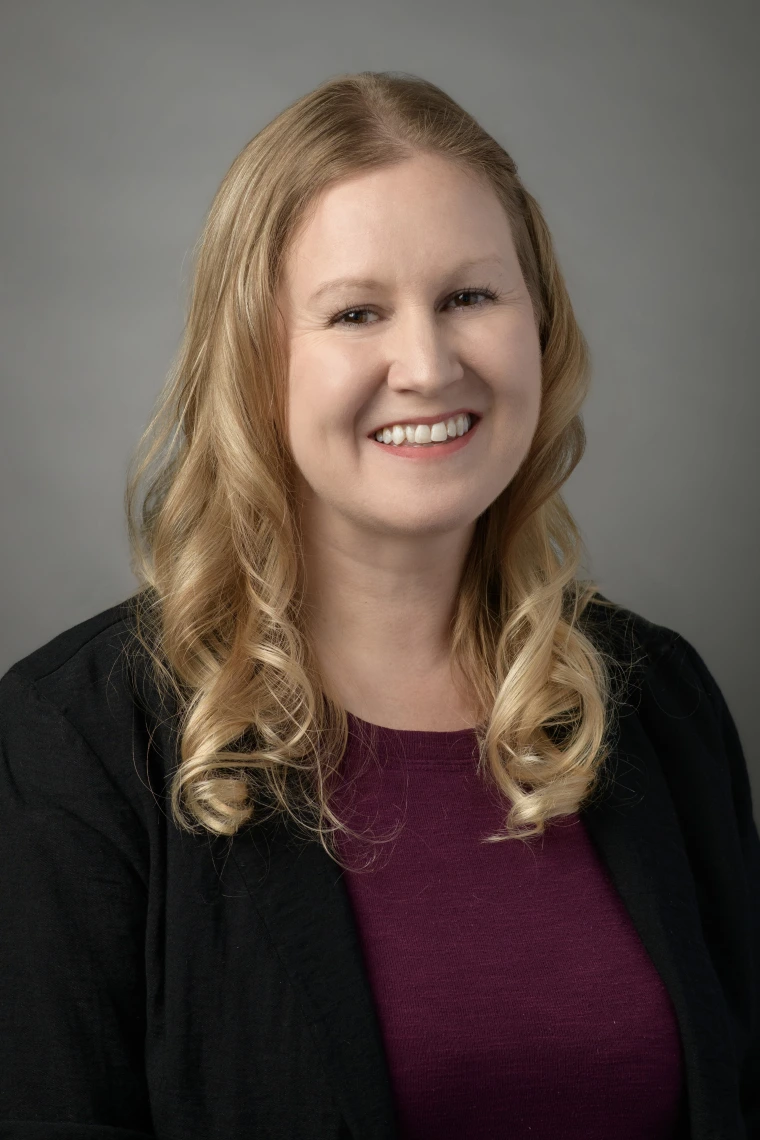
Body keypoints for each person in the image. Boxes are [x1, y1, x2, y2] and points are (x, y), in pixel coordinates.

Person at [0, 70, 757, 1140]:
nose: (427, 364)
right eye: (356, 312)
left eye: (469, 297)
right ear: (255, 364)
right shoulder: (70, 744)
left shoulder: (661, 701)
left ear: (538, 321)